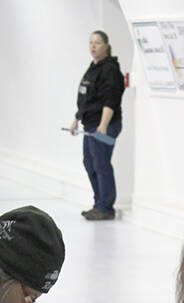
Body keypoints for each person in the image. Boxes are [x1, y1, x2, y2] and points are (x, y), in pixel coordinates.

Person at [67, 30, 124, 221]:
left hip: (103, 125)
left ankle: (106, 207)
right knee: (90, 162)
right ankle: (99, 202)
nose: (93, 46)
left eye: (98, 43)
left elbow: (111, 98)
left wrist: (103, 124)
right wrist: (76, 120)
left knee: (101, 164)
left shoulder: (110, 70)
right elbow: (86, 99)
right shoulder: (93, 68)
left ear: (106, 46)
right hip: (89, 125)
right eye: (91, 42)